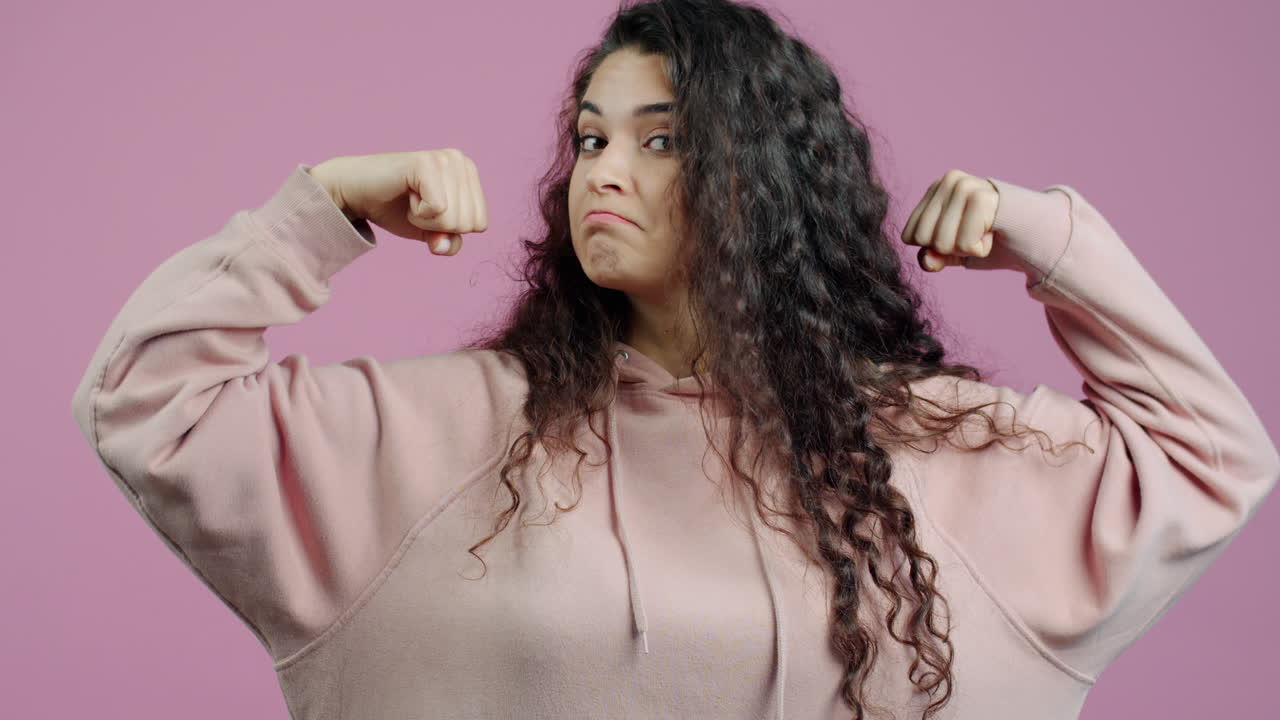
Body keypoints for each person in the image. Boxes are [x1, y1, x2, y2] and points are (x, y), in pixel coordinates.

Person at [70, 0, 1277, 718]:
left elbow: (1212, 457)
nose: (602, 169)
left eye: (659, 140)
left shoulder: (948, 454)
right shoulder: (439, 438)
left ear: (767, 180)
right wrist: (320, 209)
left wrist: (1051, 240)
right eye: (592, 135)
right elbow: (144, 399)